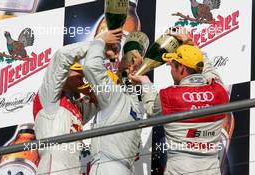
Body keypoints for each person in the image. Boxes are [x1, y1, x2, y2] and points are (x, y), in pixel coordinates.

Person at [129, 34, 229, 175]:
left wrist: (145, 81)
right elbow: (209, 70)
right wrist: (191, 44)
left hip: (180, 171)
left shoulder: (169, 95)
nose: (170, 69)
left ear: (181, 68)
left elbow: (151, 109)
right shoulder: (219, 91)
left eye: (173, 66)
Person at [33, 29, 122, 175]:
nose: (82, 78)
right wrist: (99, 44)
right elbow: (61, 56)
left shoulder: (75, 107)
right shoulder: (48, 97)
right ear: (65, 73)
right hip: (54, 170)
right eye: (79, 74)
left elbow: (102, 99)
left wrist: (120, 72)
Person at [82, 30, 149, 175]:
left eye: (124, 58)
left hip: (106, 168)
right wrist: (128, 71)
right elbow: (129, 85)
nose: (120, 60)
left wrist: (101, 41)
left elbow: (90, 66)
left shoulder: (113, 95)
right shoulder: (139, 105)